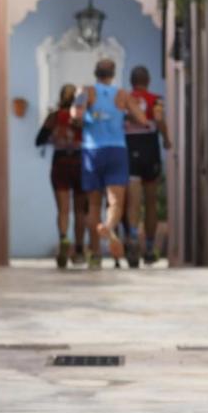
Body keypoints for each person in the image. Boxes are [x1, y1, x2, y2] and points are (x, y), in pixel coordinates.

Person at [80, 57, 133, 269]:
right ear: (112, 74)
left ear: (96, 73)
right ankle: (108, 226)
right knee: (115, 201)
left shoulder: (86, 92)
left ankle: (94, 253)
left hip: (92, 151)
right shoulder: (121, 95)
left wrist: (88, 118)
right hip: (116, 149)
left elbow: (77, 113)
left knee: (93, 204)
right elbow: (142, 118)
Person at [34, 83, 86, 268]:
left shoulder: (54, 117)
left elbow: (39, 140)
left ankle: (64, 239)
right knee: (81, 210)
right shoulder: (82, 117)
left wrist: (55, 137)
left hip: (60, 163)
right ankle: (79, 250)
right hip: (80, 163)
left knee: (63, 209)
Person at [124, 65, 171, 266]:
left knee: (133, 200)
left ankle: (134, 239)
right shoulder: (155, 100)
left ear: (131, 81)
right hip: (149, 149)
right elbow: (159, 119)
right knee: (151, 200)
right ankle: (150, 247)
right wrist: (166, 139)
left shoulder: (125, 100)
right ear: (148, 80)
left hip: (129, 150)